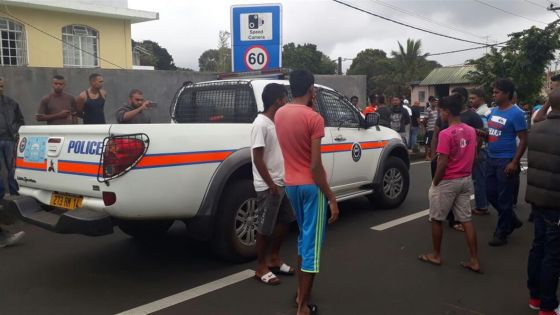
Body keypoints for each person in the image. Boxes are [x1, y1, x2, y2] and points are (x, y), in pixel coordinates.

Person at [275, 70, 339, 315]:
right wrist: (331, 197)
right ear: (311, 89)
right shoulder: (314, 118)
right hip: (312, 188)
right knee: (312, 246)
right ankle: (303, 307)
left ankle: (301, 295)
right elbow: (315, 165)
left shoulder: (280, 113)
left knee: (304, 239)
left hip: (291, 185)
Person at [418, 93, 481, 273]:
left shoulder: (446, 134)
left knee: (436, 218)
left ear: (446, 112)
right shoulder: (470, 130)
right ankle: (474, 260)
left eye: (440, 111)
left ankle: (436, 255)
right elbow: (474, 156)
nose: (439, 115)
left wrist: (435, 182)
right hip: (465, 179)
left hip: (448, 181)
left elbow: (442, 162)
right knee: (466, 220)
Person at [250, 83, 296, 285]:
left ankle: (274, 258)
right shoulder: (260, 124)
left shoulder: (276, 121)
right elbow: (257, 157)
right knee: (265, 228)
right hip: (269, 186)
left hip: (281, 182)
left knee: (287, 220)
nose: (287, 101)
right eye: (285, 98)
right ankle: (261, 267)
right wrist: (270, 185)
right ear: (278, 100)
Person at [525, 89, 560, 315]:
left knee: (538, 248)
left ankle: (535, 297)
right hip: (556, 203)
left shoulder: (537, 128)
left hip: (537, 199)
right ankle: (548, 306)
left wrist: (550, 100)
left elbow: (539, 117)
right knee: (553, 255)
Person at [432, 87, 484, 232]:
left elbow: (479, 139)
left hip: (455, 171)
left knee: (439, 212)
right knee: (462, 214)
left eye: (456, 96)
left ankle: (437, 252)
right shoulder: (444, 121)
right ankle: (449, 217)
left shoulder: (472, 118)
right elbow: (436, 134)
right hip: (445, 161)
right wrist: (432, 154)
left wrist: (473, 157)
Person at [486, 79, 527, 247]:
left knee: (504, 198)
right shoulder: (493, 111)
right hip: (490, 157)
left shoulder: (516, 113)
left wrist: (514, 162)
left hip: (506, 159)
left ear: (507, 94)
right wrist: (483, 135)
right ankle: (511, 218)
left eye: (497, 92)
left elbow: (524, 139)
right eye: (493, 92)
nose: (493, 95)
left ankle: (502, 233)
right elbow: (492, 133)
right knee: (490, 193)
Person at [0, 77, 25, 247]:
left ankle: (15, 201)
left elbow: (20, 120)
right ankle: (1, 200)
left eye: (1, 84)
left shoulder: (11, 103)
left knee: (12, 170)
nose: (0, 87)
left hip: (9, 140)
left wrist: (16, 133)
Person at [469, 89, 490, 216]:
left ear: (481, 98)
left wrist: (475, 152)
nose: (471, 101)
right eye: (470, 98)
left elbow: (482, 133)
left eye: (473, 98)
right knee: (481, 178)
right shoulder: (484, 111)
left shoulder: (481, 113)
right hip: (484, 149)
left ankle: (481, 206)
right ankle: (483, 204)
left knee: (479, 179)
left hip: (480, 150)